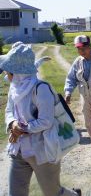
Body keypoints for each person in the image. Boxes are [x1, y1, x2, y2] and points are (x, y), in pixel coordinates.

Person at [1, 43, 80, 196]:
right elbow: (9, 110)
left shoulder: (41, 89)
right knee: (15, 193)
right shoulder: (14, 88)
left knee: (52, 193)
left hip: (42, 150)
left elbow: (46, 122)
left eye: (8, 70)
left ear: (17, 72)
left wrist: (22, 129)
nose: (5, 73)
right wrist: (12, 123)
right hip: (18, 150)